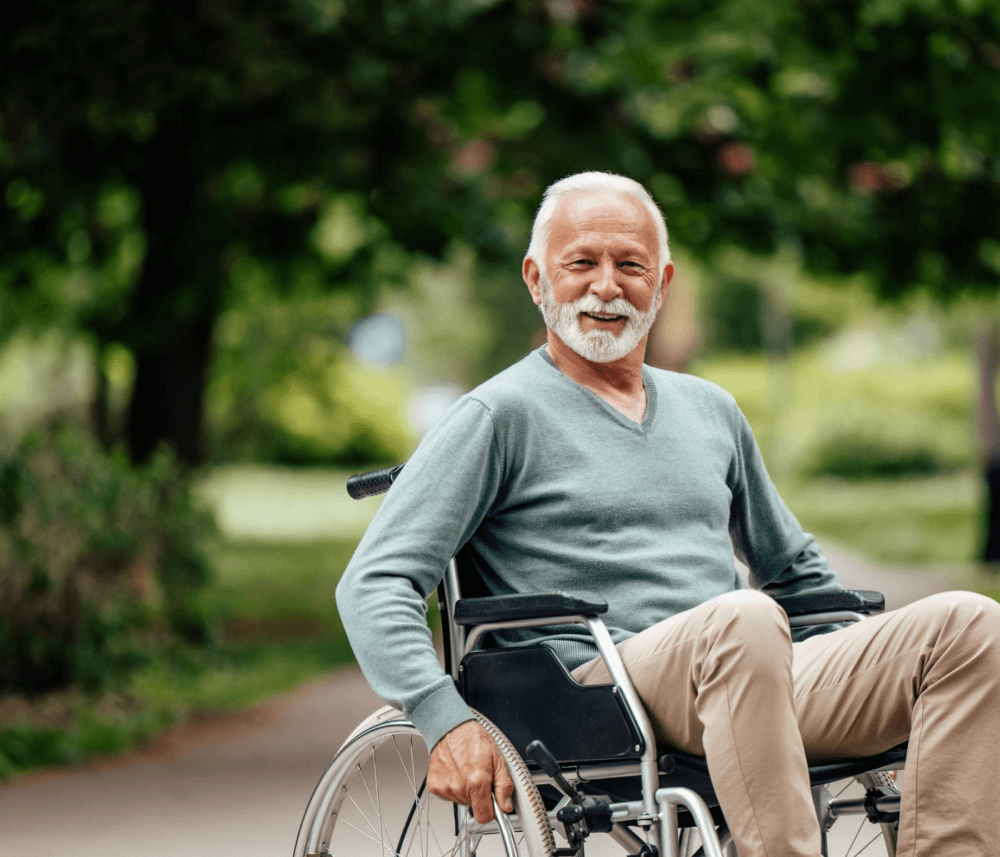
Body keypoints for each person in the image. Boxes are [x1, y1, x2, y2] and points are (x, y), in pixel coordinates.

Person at [336, 171, 1000, 857]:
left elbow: (797, 572)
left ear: (662, 283)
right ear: (537, 278)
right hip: (597, 685)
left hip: (750, 669)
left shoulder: (711, 409)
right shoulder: (498, 415)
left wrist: (854, 660)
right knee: (742, 620)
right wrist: (443, 719)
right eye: (582, 263)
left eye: (630, 265)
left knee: (970, 627)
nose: (606, 285)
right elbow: (373, 582)